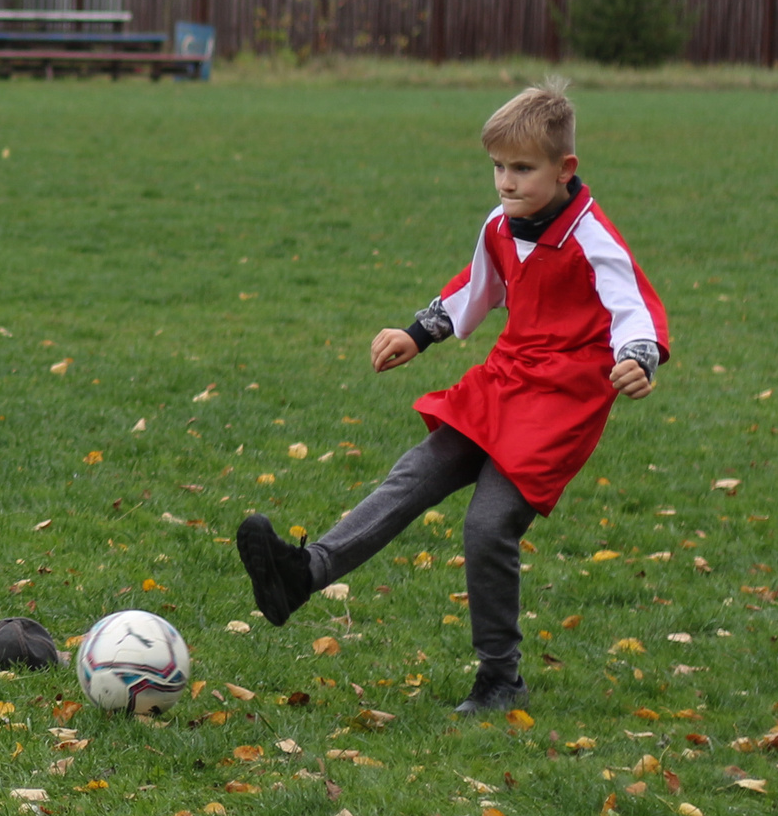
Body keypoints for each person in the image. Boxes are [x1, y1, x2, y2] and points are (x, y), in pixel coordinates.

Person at [235, 82, 668, 715]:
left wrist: (638, 356)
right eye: (498, 167)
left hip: (560, 404)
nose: (506, 182)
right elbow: (477, 288)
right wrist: (418, 333)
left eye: (522, 169)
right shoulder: (500, 225)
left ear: (564, 169)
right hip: (504, 380)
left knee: (488, 525)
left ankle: (501, 678)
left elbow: (636, 306)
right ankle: (305, 574)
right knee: (417, 472)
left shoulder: (592, 237)